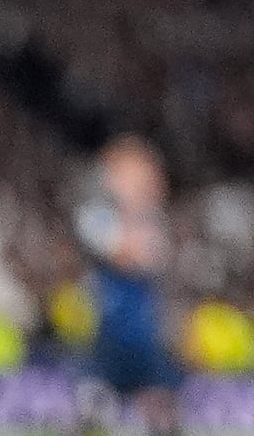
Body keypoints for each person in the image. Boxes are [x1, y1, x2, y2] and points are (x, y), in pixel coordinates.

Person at [72, 136, 177, 436]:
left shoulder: (152, 220)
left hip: (143, 330)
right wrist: (131, 215)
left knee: (159, 407)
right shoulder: (97, 216)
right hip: (109, 328)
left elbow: (152, 257)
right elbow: (123, 255)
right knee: (95, 409)